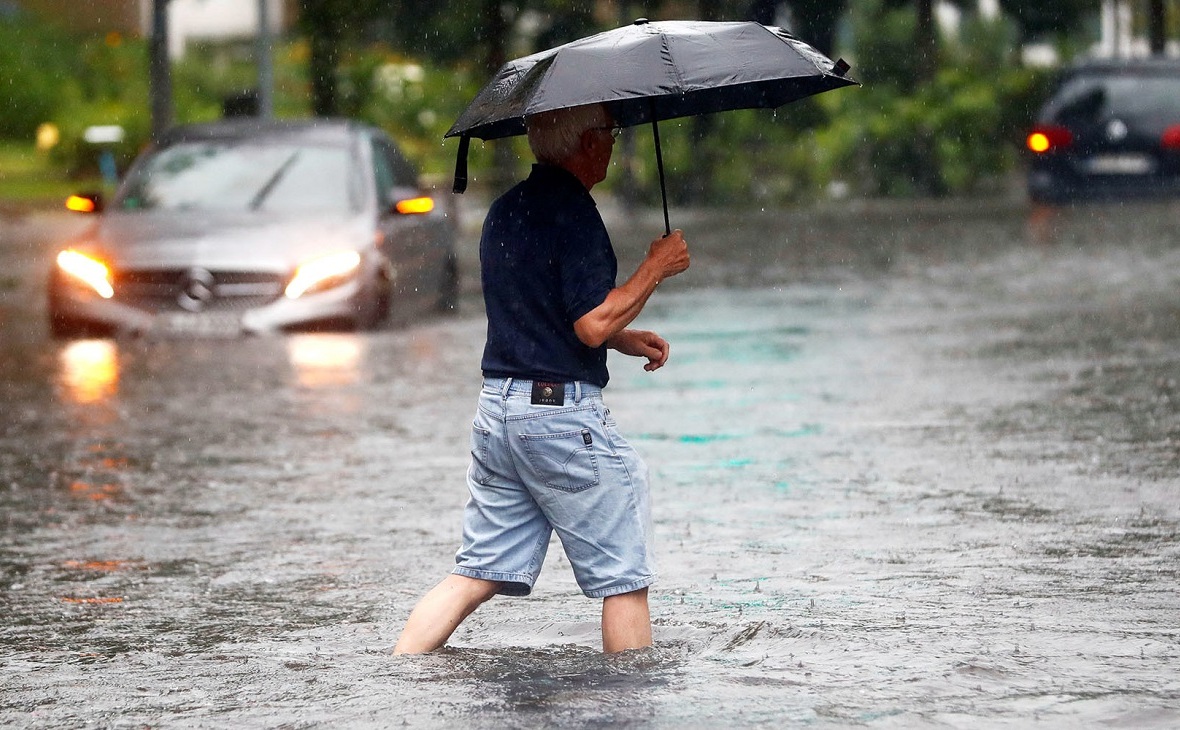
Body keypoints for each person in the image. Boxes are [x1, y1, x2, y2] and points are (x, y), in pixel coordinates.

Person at [393, 102, 690, 655]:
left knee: (474, 573)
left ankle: (397, 671)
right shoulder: (575, 212)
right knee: (626, 576)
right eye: (608, 131)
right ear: (585, 143)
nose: (613, 140)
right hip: (557, 419)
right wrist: (656, 267)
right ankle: (631, 703)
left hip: (498, 415)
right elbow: (590, 323)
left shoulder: (506, 210)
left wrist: (624, 338)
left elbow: (536, 310)